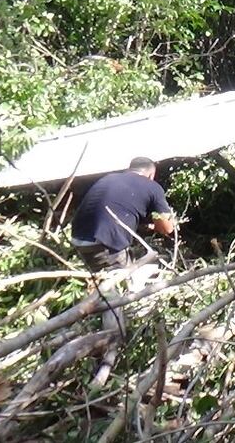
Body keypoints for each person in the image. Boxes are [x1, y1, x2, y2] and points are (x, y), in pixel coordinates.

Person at [70, 156, 176, 385]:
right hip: (104, 245)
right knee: (117, 297)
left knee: (106, 285)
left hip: (79, 240)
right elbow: (166, 227)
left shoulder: (110, 178)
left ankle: (101, 325)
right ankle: (108, 359)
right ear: (151, 173)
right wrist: (163, 223)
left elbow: (117, 210)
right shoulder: (152, 187)